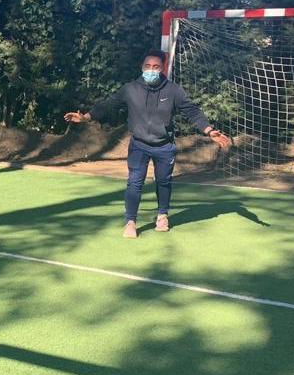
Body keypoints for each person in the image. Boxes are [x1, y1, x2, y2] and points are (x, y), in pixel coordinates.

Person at [64, 49, 231, 238]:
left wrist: (209, 130)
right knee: (134, 183)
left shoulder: (173, 90)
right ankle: (130, 221)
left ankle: (162, 216)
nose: (151, 70)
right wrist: (85, 117)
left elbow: (192, 111)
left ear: (162, 68)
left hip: (165, 146)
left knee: (164, 182)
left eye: (156, 67)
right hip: (139, 145)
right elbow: (108, 104)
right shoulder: (130, 89)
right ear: (141, 67)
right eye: (147, 66)